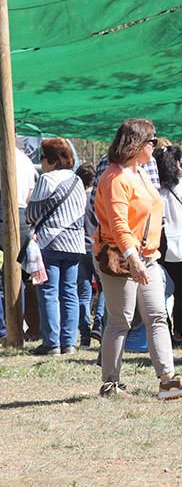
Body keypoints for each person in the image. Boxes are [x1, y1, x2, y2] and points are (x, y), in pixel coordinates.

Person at [94, 118, 182, 399]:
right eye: (151, 141)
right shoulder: (115, 178)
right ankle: (110, 384)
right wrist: (133, 258)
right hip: (121, 258)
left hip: (148, 257)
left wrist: (145, 257)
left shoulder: (141, 171)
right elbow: (118, 226)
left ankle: (168, 380)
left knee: (157, 316)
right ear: (136, 144)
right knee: (120, 320)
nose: (155, 146)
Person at [25, 138, 87, 355]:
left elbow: (31, 215)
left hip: (50, 241)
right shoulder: (77, 180)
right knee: (70, 292)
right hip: (75, 243)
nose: (40, 162)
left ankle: (52, 342)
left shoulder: (47, 179)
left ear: (51, 159)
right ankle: (69, 342)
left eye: (41, 157)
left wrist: (30, 201)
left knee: (49, 291)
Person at [154, 144, 182, 347]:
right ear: (179, 162)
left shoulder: (156, 192)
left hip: (161, 246)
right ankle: (178, 334)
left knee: (161, 292)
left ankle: (165, 329)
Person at [0, 140, 37, 340]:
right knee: (21, 277)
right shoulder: (26, 160)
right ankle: (16, 326)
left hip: (6, 214)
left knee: (3, 278)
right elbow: (31, 193)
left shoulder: (7, 156)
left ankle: (5, 329)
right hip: (23, 217)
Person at [75, 163, 104, 348]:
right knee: (104, 290)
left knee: (83, 294)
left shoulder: (77, 199)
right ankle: (99, 323)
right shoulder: (96, 200)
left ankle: (84, 334)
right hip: (97, 247)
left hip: (79, 248)